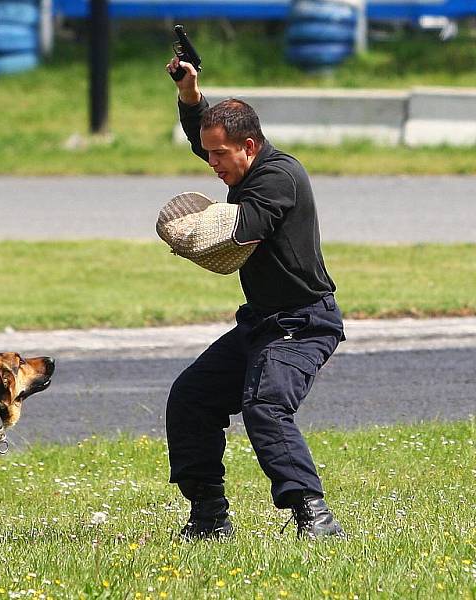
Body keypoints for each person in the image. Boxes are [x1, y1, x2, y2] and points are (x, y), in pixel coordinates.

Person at [163, 55, 346, 540]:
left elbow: (244, 230)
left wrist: (193, 231)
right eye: (209, 154)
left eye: (219, 155)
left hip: (304, 323)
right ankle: (208, 516)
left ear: (248, 146)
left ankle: (314, 513)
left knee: (265, 406)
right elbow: (203, 135)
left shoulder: (279, 177)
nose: (212, 164)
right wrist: (189, 95)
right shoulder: (239, 166)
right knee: (190, 399)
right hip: (260, 322)